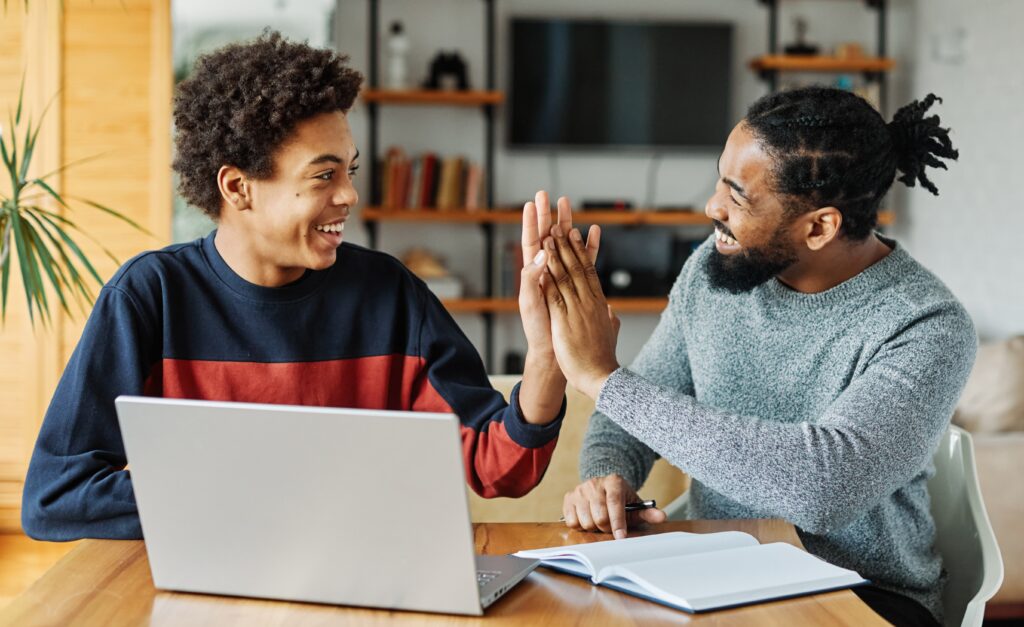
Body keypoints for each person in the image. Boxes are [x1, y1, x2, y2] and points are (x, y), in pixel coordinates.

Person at [21, 32, 598, 542]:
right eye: (324, 175)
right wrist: (242, 500)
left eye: (349, 170)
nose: (348, 195)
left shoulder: (388, 295)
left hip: (367, 587)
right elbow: (57, 498)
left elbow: (499, 467)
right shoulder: (150, 297)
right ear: (238, 187)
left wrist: (547, 358)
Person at [532, 87, 970, 627]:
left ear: (819, 226)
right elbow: (629, 423)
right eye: (720, 179)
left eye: (737, 197)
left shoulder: (926, 324)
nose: (712, 207)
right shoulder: (710, 273)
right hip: (716, 577)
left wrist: (604, 379)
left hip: (865, 595)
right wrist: (608, 476)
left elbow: (821, 488)